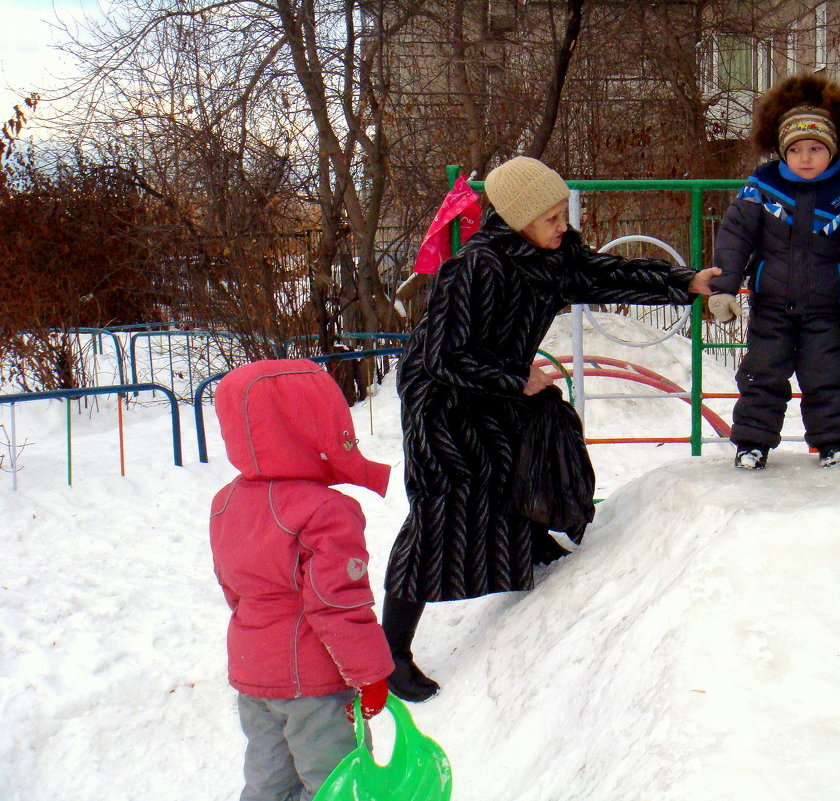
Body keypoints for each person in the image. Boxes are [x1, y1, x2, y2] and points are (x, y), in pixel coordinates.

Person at [384, 155, 721, 701]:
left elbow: (604, 274)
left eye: (562, 213)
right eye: (550, 218)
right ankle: (391, 651)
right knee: (442, 506)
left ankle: (535, 539)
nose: (562, 226)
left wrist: (683, 282)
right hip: (444, 396)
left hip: (502, 383)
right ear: (517, 219)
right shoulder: (475, 266)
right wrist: (514, 376)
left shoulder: (554, 253)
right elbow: (444, 356)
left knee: (533, 442)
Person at [209, 359, 395, 801]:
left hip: (254, 674)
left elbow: (232, 588)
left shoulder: (226, 501)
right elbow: (336, 603)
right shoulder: (325, 511)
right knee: (337, 783)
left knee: (269, 781)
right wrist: (369, 673)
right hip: (317, 685)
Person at [706, 73, 840, 470]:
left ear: (833, 149)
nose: (806, 158)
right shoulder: (764, 184)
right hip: (772, 305)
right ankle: (752, 443)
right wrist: (724, 286)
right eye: (797, 149)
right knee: (761, 376)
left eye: (816, 148)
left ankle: (834, 444)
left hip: (828, 310)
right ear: (782, 150)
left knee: (828, 380)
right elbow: (736, 235)